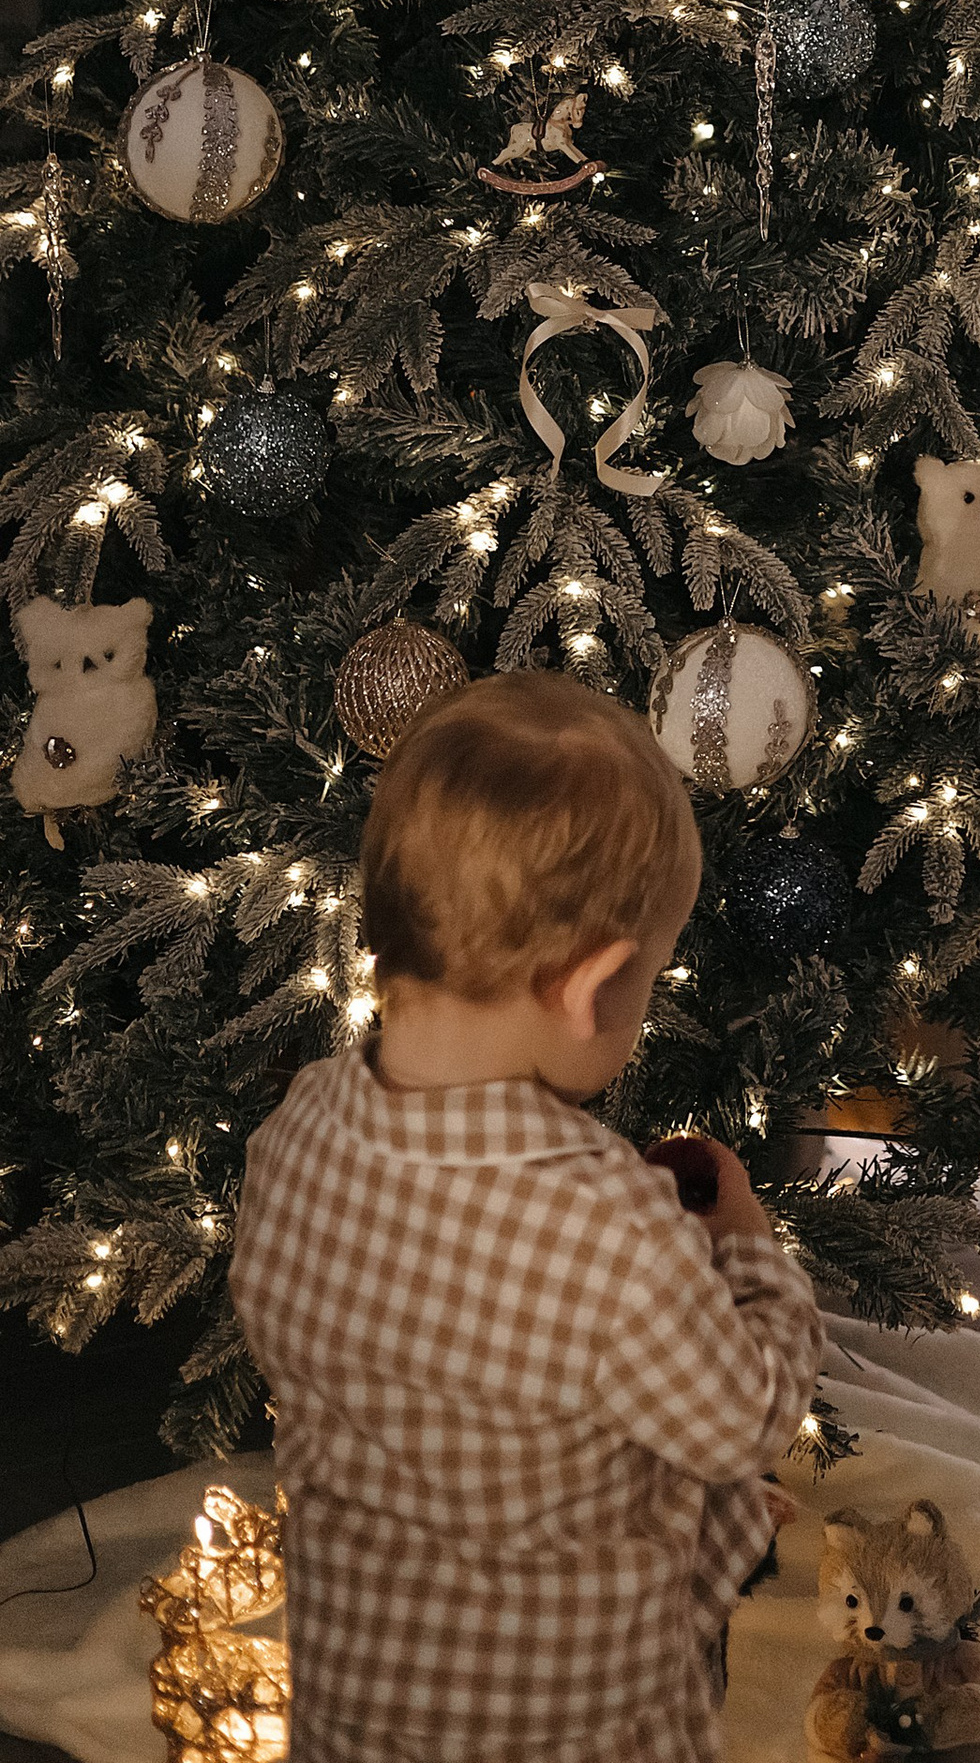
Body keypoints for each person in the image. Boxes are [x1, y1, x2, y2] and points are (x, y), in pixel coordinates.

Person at [231, 670, 821, 1763]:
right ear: (594, 986)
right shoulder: (612, 1230)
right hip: (581, 1727)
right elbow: (739, 1422)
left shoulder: (298, 1130)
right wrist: (745, 1250)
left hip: (355, 1712)